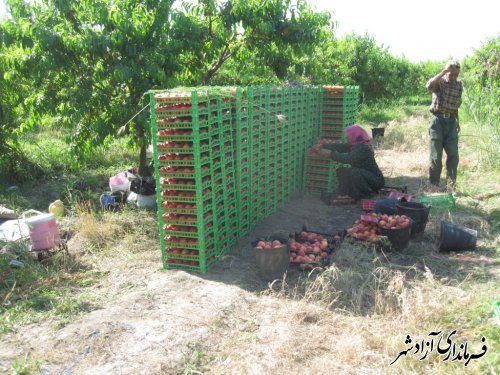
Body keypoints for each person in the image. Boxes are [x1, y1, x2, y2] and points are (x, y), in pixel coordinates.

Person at [316, 124, 385, 202]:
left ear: (354, 136)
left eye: (348, 136)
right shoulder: (356, 145)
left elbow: (348, 159)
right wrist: (324, 145)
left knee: (355, 172)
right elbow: (340, 147)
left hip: (376, 181)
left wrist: (331, 154)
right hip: (364, 176)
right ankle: (343, 192)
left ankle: (367, 194)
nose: (347, 138)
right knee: (342, 170)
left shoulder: (363, 148)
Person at [425, 59, 463, 189]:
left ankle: (451, 185)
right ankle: (433, 183)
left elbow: (456, 105)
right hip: (438, 122)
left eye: (456, 74)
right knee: (436, 156)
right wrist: (444, 71)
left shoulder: (459, 86)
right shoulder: (440, 83)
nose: (453, 77)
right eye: (451, 74)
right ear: (447, 72)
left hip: (451, 122)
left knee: (453, 155)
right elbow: (429, 85)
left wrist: (457, 122)